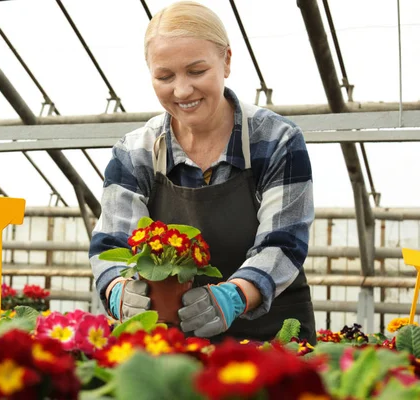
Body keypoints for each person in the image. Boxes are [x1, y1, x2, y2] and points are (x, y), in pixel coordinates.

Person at [89, 1, 316, 344]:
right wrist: (119, 289)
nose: (181, 91)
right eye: (165, 76)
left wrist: (235, 295)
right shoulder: (136, 151)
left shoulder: (275, 140)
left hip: (272, 335)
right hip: (172, 342)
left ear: (226, 61)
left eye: (196, 71)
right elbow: (111, 241)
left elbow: (283, 243)